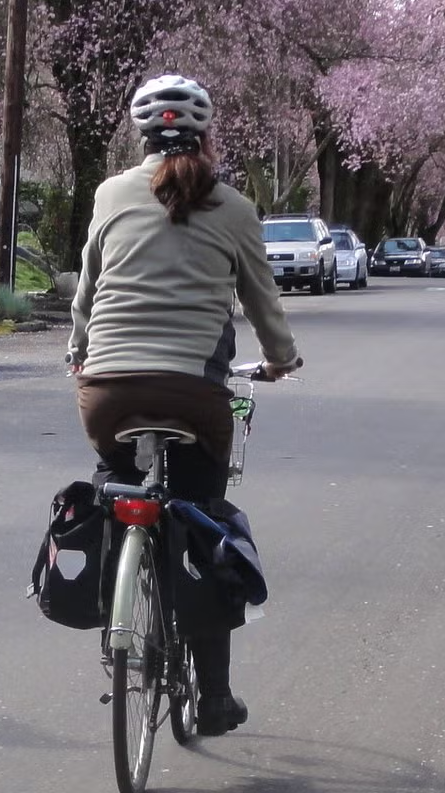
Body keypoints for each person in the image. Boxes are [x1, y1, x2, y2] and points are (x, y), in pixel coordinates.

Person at [67, 74, 301, 736]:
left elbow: (87, 293)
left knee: (113, 486)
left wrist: (79, 353)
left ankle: (120, 588)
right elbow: (261, 300)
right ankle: (215, 696)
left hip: (107, 391)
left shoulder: (111, 193)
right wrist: (282, 357)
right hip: (195, 397)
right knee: (207, 523)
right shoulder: (234, 206)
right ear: (206, 135)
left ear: (140, 135)